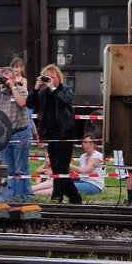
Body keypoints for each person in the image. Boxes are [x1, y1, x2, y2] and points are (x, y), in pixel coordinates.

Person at [27, 64, 81, 204]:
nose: (50, 79)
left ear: (58, 77)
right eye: (47, 77)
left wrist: (53, 88)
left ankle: (57, 198)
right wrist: (35, 88)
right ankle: (75, 197)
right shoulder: (43, 92)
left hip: (65, 134)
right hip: (50, 135)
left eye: (52, 76)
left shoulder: (65, 89)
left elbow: (65, 101)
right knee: (57, 168)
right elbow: (29, 104)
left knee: (61, 168)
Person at [0, 65, 31, 202]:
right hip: (5, 135)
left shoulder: (21, 90)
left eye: (10, 78)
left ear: (14, 79)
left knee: (21, 167)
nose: (7, 81)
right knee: (6, 168)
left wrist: (13, 87)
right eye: (5, 79)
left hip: (20, 133)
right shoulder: (0, 93)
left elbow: (22, 103)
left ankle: (21, 196)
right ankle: (7, 197)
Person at [33, 134, 104, 198]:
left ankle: (33, 194)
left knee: (61, 187)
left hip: (93, 185)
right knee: (57, 181)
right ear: (82, 144)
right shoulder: (83, 156)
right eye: (85, 142)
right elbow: (79, 174)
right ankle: (31, 189)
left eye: (90, 142)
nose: (87, 144)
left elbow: (84, 171)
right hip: (82, 181)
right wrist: (71, 172)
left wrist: (67, 164)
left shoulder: (97, 156)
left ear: (94, 144)